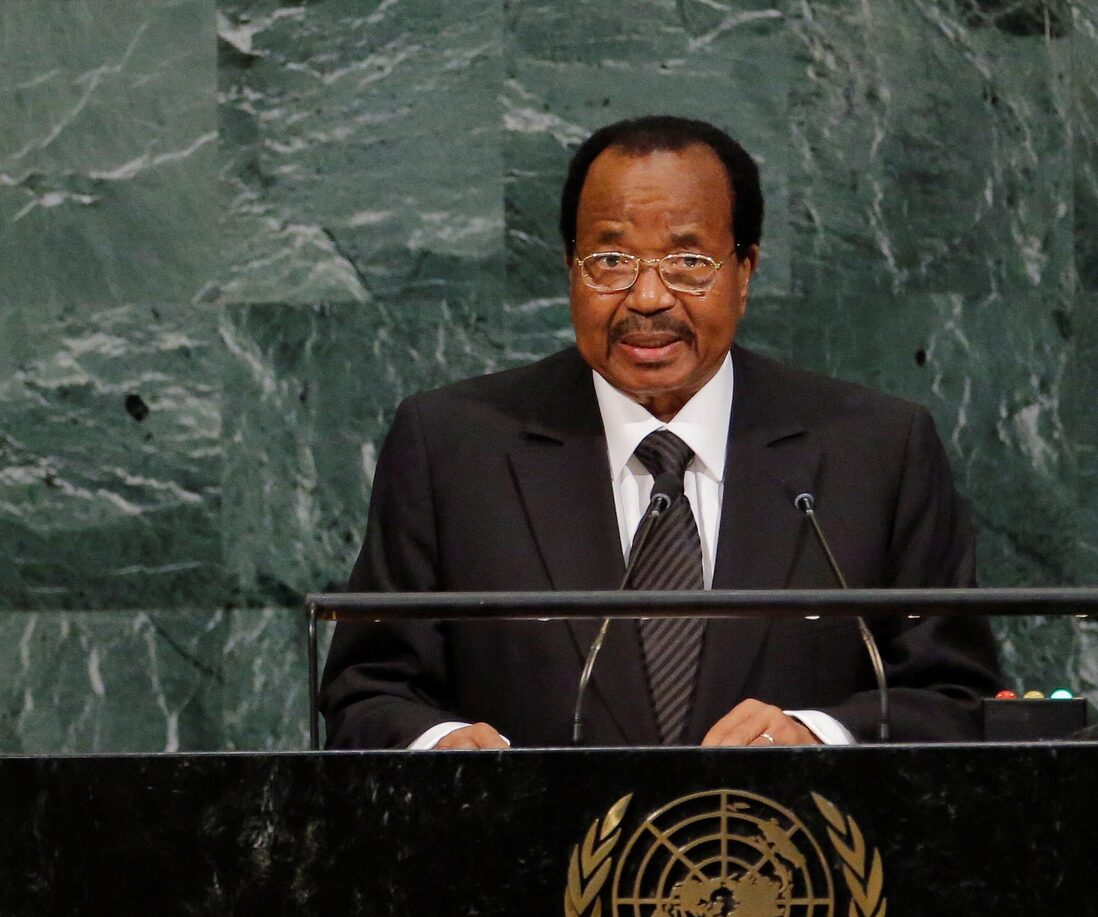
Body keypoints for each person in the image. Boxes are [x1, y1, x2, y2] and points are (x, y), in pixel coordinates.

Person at [320, 116, 1000, 750]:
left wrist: (817, 735)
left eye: (688, 262)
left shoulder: (874, 450)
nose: (648, 299)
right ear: (570, 268)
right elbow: (368, 690)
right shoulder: (453, 448)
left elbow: (954, 695)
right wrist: (442, 746)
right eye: (611, 260)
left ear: (745, 272)